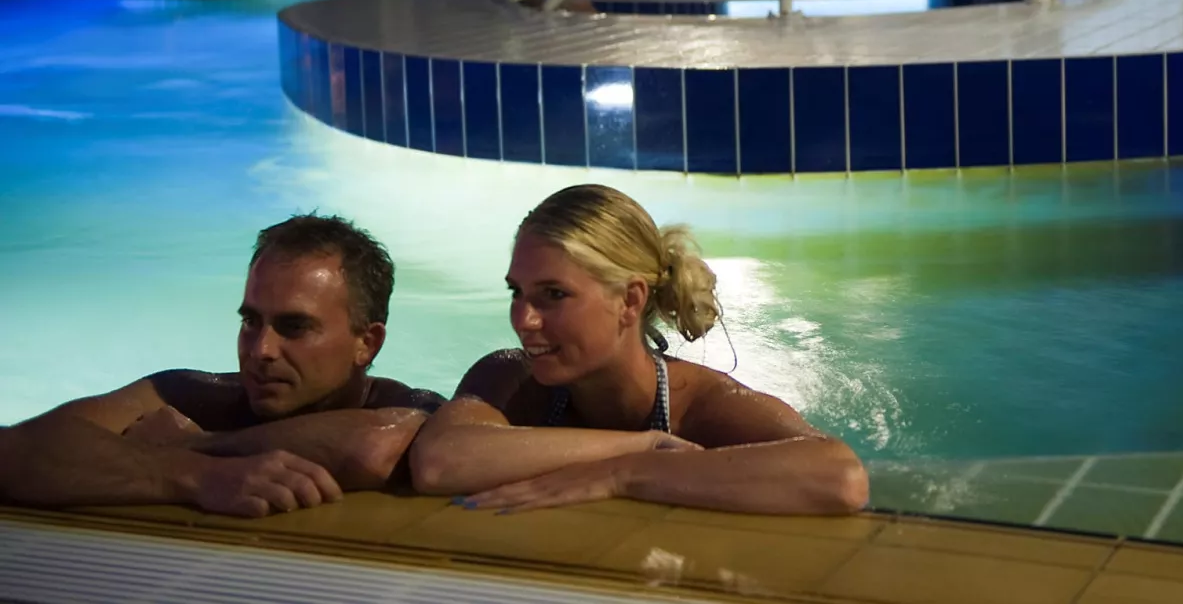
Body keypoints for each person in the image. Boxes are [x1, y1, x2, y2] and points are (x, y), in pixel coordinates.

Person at [410, 184, 869, 516]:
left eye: (553, 295)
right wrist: (643, 445)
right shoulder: (510, 380)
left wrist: (623, 474)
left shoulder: (700, 404)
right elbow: (439, 462)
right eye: (517, 293)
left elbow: (840, 476)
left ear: (629, 301)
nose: (523, 320)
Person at [0, 215, 444, 518]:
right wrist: (193, 476)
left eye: (294, 326)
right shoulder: (190, 396)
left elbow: (378, 446)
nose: (261, 350)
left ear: (366, 343)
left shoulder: (409, 408)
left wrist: (203, 444)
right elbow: (15, 451)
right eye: (251, 321)